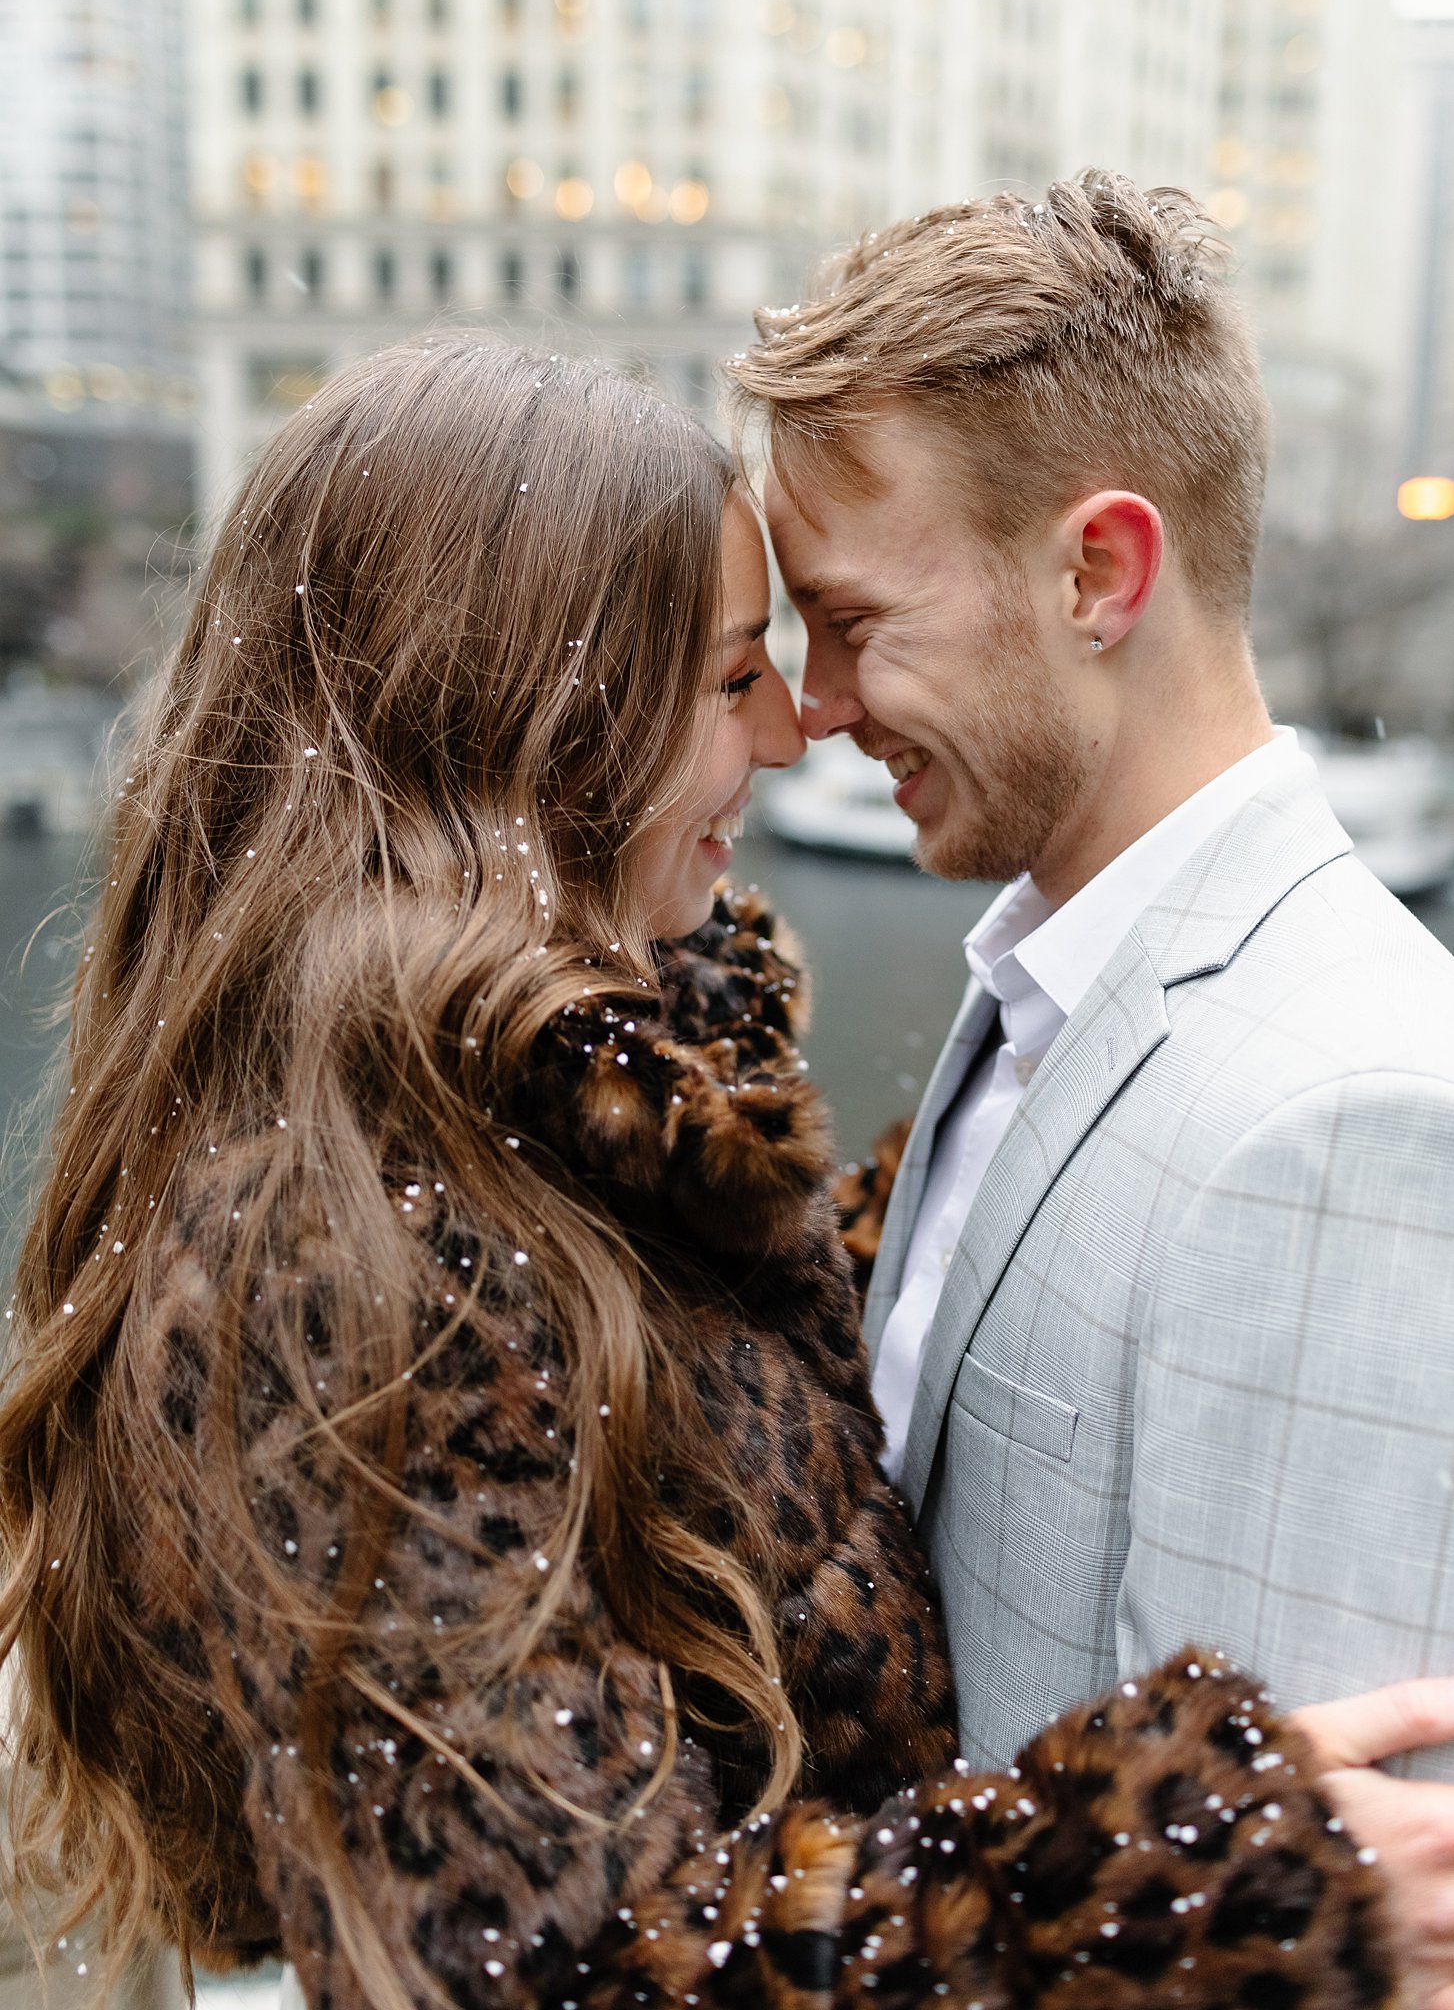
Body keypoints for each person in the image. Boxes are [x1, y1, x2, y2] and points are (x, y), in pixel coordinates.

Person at [0, 334, 1406, 2010]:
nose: (795, 729)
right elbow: (554, 1965)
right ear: (549, 722)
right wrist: (1184, 1893)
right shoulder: (340, 1253)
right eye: (734, 675)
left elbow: (699, 1426)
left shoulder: (550, 1129)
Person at [730, 171, 1454, 1999]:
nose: (812, 706)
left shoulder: (1338, 1120)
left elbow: (1264, 1947)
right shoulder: (1055, 979)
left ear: (1097, 574)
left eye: (854, 620)